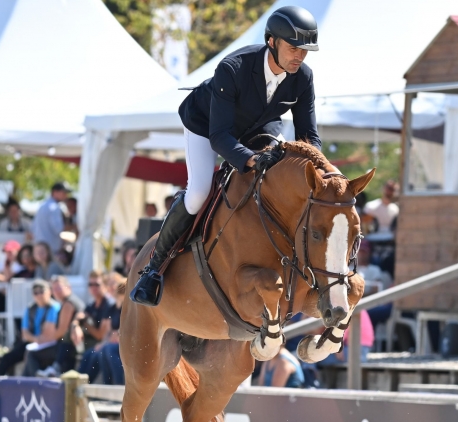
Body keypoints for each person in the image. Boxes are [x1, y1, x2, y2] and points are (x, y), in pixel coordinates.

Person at [131, 5, 321, 307]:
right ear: (271, 42)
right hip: (206, 126)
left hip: (259, 126)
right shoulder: (233, 68)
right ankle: (153, 269)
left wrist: (320, 171)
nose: (299, 56)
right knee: (198, 193)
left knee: (283, 177)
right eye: (293, 48)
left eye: (305, 50)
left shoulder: (303, 78)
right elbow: (220, 136)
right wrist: (251, 160)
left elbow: (308, 137)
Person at [0, 280, 60, 376]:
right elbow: (25, 333)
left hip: (49, 344)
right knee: (7, 357)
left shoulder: (54, 307)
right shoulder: (30, 308)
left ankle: (32, 383)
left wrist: (37, 340)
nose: (39, 295)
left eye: (42, 291)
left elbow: (48, 332)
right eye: (36, 293)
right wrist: (35, 339)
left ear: (49, 291)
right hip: (33, 342)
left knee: (31, 356)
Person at [35, 275, 87, 377]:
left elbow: (61, 332)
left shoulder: (68, 303)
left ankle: (34, 384)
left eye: (59, 287)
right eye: (54, 289)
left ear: (68, 287)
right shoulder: (68, 301)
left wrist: (44, 340)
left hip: (75, 345)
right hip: (70, 346)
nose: (56, 291)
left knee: (32, 354)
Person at [32, 182, 69, 254]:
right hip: (51, 251)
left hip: (40, 248)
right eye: (64, 193)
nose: (66, 195)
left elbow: (33, 228)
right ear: (55, 192)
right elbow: (59, 229)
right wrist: (73, 227)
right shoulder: (54, 207)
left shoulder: (42, 205)